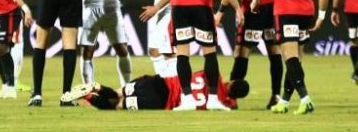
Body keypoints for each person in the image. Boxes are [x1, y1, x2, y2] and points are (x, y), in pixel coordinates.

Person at [61, 71, 249, 110]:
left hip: (158, 83)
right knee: (116, 106)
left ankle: (97, 87)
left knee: (117, 93)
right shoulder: (225, 104)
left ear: (231, 81)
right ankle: (88, 96)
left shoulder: (213, 76)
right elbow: (232, 104)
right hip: (160, 102)